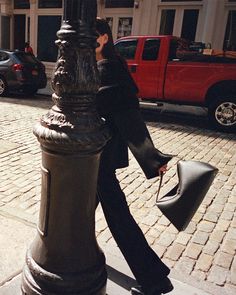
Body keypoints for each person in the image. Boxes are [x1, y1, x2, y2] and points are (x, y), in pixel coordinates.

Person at [95, 18, 174, 295]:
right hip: (93, 157)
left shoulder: (109, 68)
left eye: (90, 37)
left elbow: (129, 116)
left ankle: (154, 279)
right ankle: (78, 255)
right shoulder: (105, 66)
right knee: (77, 214)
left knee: (119, 219)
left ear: (104, 38)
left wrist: (152, 158)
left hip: (99, 162)